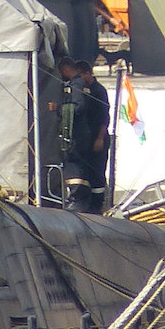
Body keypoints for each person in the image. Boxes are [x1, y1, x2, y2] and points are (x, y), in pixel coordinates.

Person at [53, 56, 96, 212]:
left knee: (73, 164)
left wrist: (58, 109)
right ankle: (79, 197)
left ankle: (77, 197)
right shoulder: (79, 84)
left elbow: (78, 107)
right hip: (82, 133)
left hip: (77, 134)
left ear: (65, 70)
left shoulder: (76, 85)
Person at [79, 59, 111, 213]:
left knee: (97, 171)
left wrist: (100, 138)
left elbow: (104, 117)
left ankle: (98, 204)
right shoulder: (83, 90)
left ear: (87, 73)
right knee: (88, 171)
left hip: (98, 138)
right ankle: (88, 201)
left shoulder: (98, 91)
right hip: (87, 138)